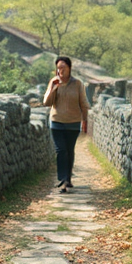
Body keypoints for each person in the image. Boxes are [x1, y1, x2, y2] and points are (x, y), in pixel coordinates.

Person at [42, 55, 90, 193]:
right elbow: (47, 102)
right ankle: (62, 180)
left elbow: (83, 103)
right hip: (57, 122)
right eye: (58, 68)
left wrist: (85, 120)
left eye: (63, 67)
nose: (60, 71)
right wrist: (53, 88)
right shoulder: (54, 82)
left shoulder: (78, 84)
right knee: (61, 150)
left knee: (69, 151)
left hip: (73, 122)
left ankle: (68, 178)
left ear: (69, 68)